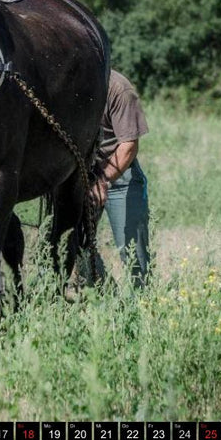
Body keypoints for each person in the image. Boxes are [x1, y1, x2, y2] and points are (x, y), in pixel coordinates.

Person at [90, 70, 151, 287]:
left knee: (133, 253)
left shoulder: (118, 88)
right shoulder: (67, 81)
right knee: (72, 247)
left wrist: (103, 181)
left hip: (119, 176)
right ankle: (105, 296)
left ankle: (140, 307)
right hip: (78, 175)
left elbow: (129, 145)